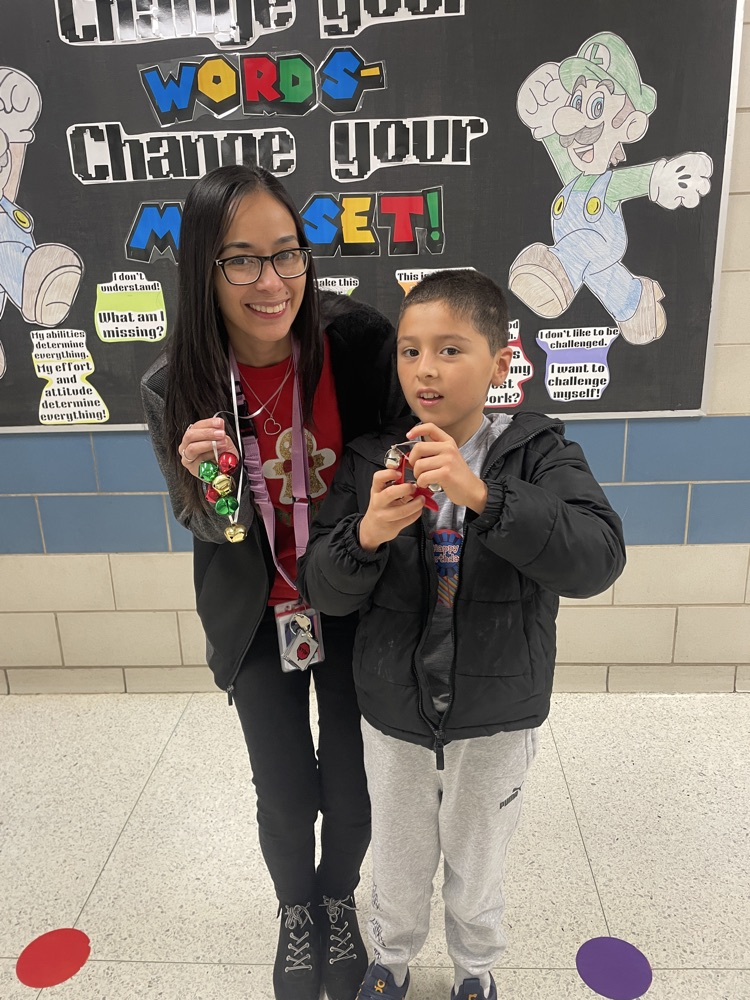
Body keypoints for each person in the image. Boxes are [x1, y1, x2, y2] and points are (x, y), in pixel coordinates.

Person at [297, 269, 626, 1000]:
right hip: (394, 711)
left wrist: (482, 495)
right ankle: (391, 957)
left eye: (450, 349)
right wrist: (369, 534)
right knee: (402, 857)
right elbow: (323, 586)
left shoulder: (538, 453)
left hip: (496, 711)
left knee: (477, 859)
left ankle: (476, 970)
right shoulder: (368, 460)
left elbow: (598, 557)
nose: (425, 369)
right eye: (410, 352)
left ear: (500, 362)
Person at [140, 164, 405, 1000]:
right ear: (201, 270)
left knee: (353, 788)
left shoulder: (358, 344)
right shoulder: (171, 386)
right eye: (241, 260)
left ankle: (337, 901)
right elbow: (215, 529)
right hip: (259, 613)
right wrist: (212, 485)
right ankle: (297, 908)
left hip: (353, 596)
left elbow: (400, 466)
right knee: (287, 793)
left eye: (287, 253)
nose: (272, 281)